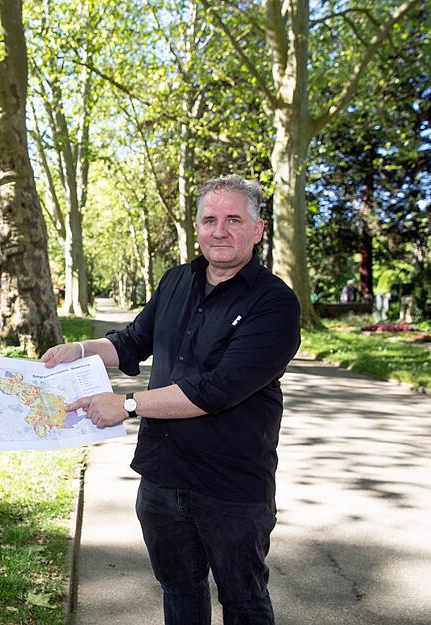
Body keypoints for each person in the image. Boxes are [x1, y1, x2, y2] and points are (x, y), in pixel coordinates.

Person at [41, 175, 300, 625]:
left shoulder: (275, 304)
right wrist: (80, 351)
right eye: (210, 219)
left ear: (259, 229)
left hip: (231, 488)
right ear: (196, 227)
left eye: (234, 219)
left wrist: (125, 405)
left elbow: (216, 390)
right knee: (179, 591)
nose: (220, 230)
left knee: (244, 600)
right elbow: (132, 341)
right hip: (163, 477)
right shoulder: (177, 280)